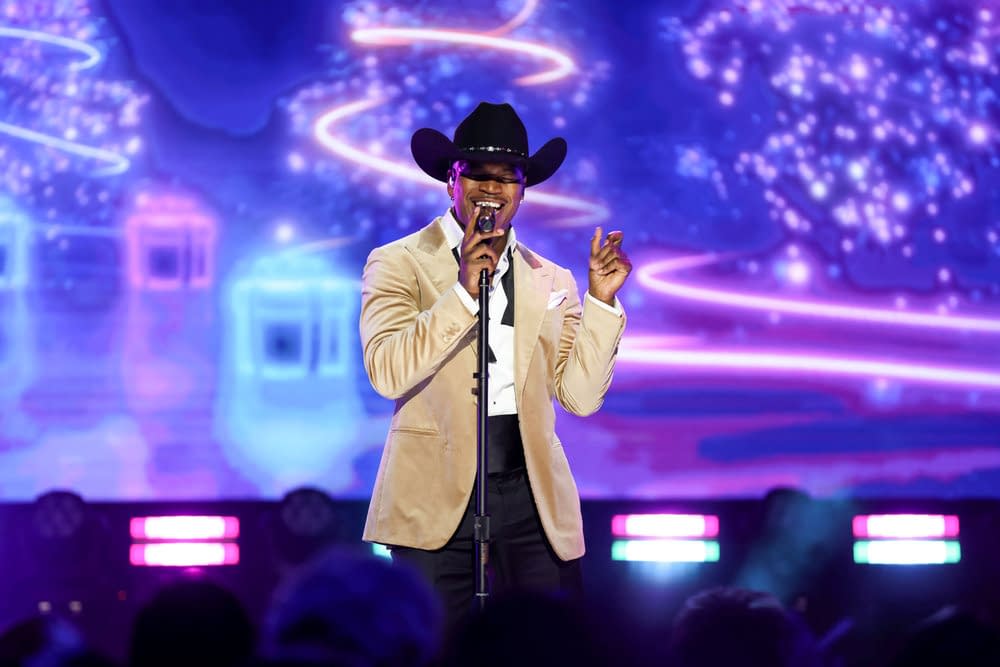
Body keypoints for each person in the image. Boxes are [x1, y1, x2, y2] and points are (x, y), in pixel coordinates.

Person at [359, 101, 630, 621]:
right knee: (435, 643)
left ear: (522, 190)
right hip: (434, 491)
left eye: (507, 177)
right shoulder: (399, 262)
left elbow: (580, 397)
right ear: (451, 181)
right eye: (478, 174)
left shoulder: (551, 278)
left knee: (545, 643)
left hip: (529, 490)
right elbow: (388, 372)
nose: (491, 188)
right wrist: (463, 293)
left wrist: (601, 302)